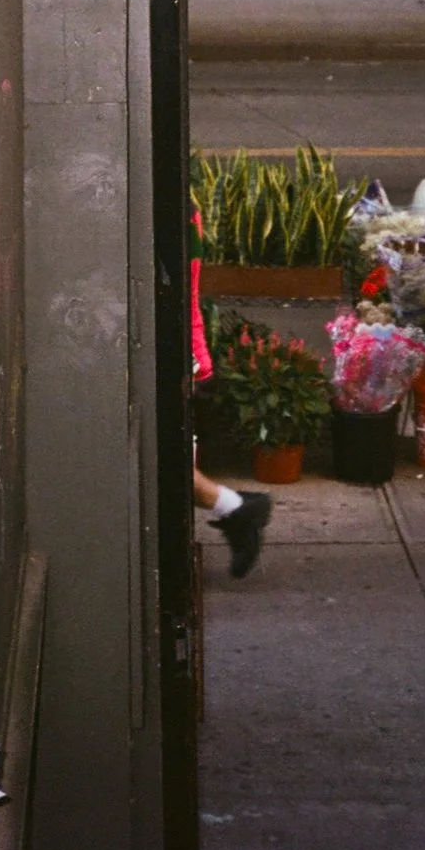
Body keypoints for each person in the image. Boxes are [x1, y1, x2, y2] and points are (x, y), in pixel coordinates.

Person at [190, 211, 271, 576]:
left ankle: (236, 509)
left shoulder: (176, 218)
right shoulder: (187, 215)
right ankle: (235, 509)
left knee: (166, 465)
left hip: (187, 363)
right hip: (193, 359)